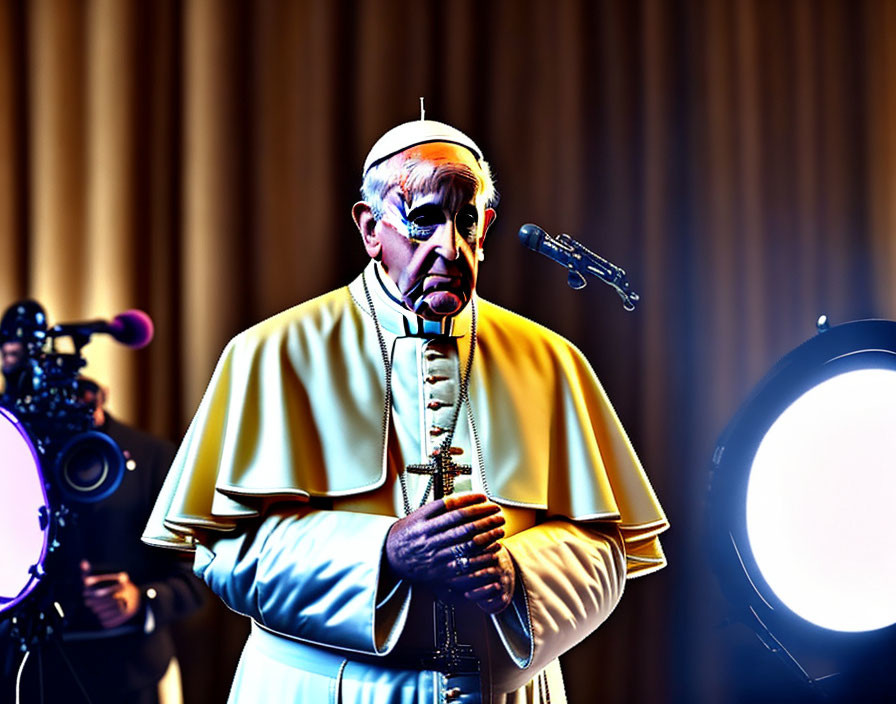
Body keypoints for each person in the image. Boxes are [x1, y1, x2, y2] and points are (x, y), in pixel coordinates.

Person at [143, 118, 669, 703]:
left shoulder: (550, 359)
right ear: (370, 229)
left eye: (465, 220)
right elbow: (226, 549)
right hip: (325, 690)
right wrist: (385, 553)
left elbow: (605, 548)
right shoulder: (271, 353)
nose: (450, 246)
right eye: (422, 219)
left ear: (485, 226)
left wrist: (521, 576)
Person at [0, 326, 206, 703]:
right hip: (23, 670)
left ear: (100, 397)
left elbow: (200, 571)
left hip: (126, 675)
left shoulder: (154, 458)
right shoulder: (13, 451)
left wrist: (141, 600)